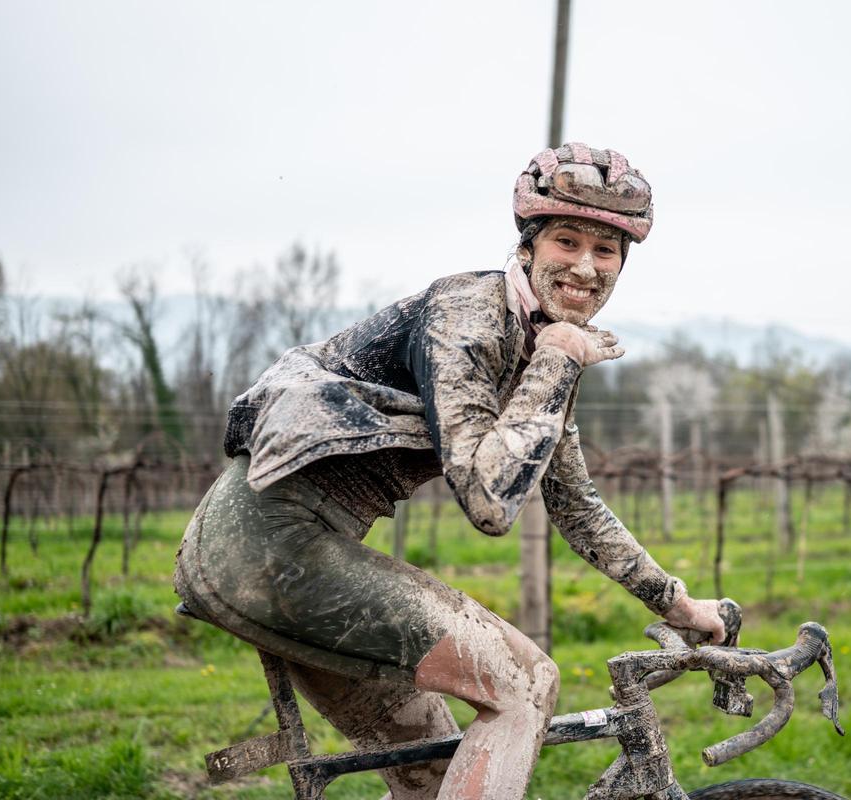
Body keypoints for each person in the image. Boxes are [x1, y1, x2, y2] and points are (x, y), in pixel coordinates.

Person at [173, 143, 725, 800]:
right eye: (566, 242)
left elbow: (575, 504)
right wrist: (558, 362)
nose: (584, 266)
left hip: (284, 556)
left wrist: (676, 602)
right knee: (525, 685)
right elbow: (490, 504)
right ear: (527, 247)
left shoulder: (540, 345)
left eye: (606, 253)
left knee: (434, 778)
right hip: (269, 546)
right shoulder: (469, 316)